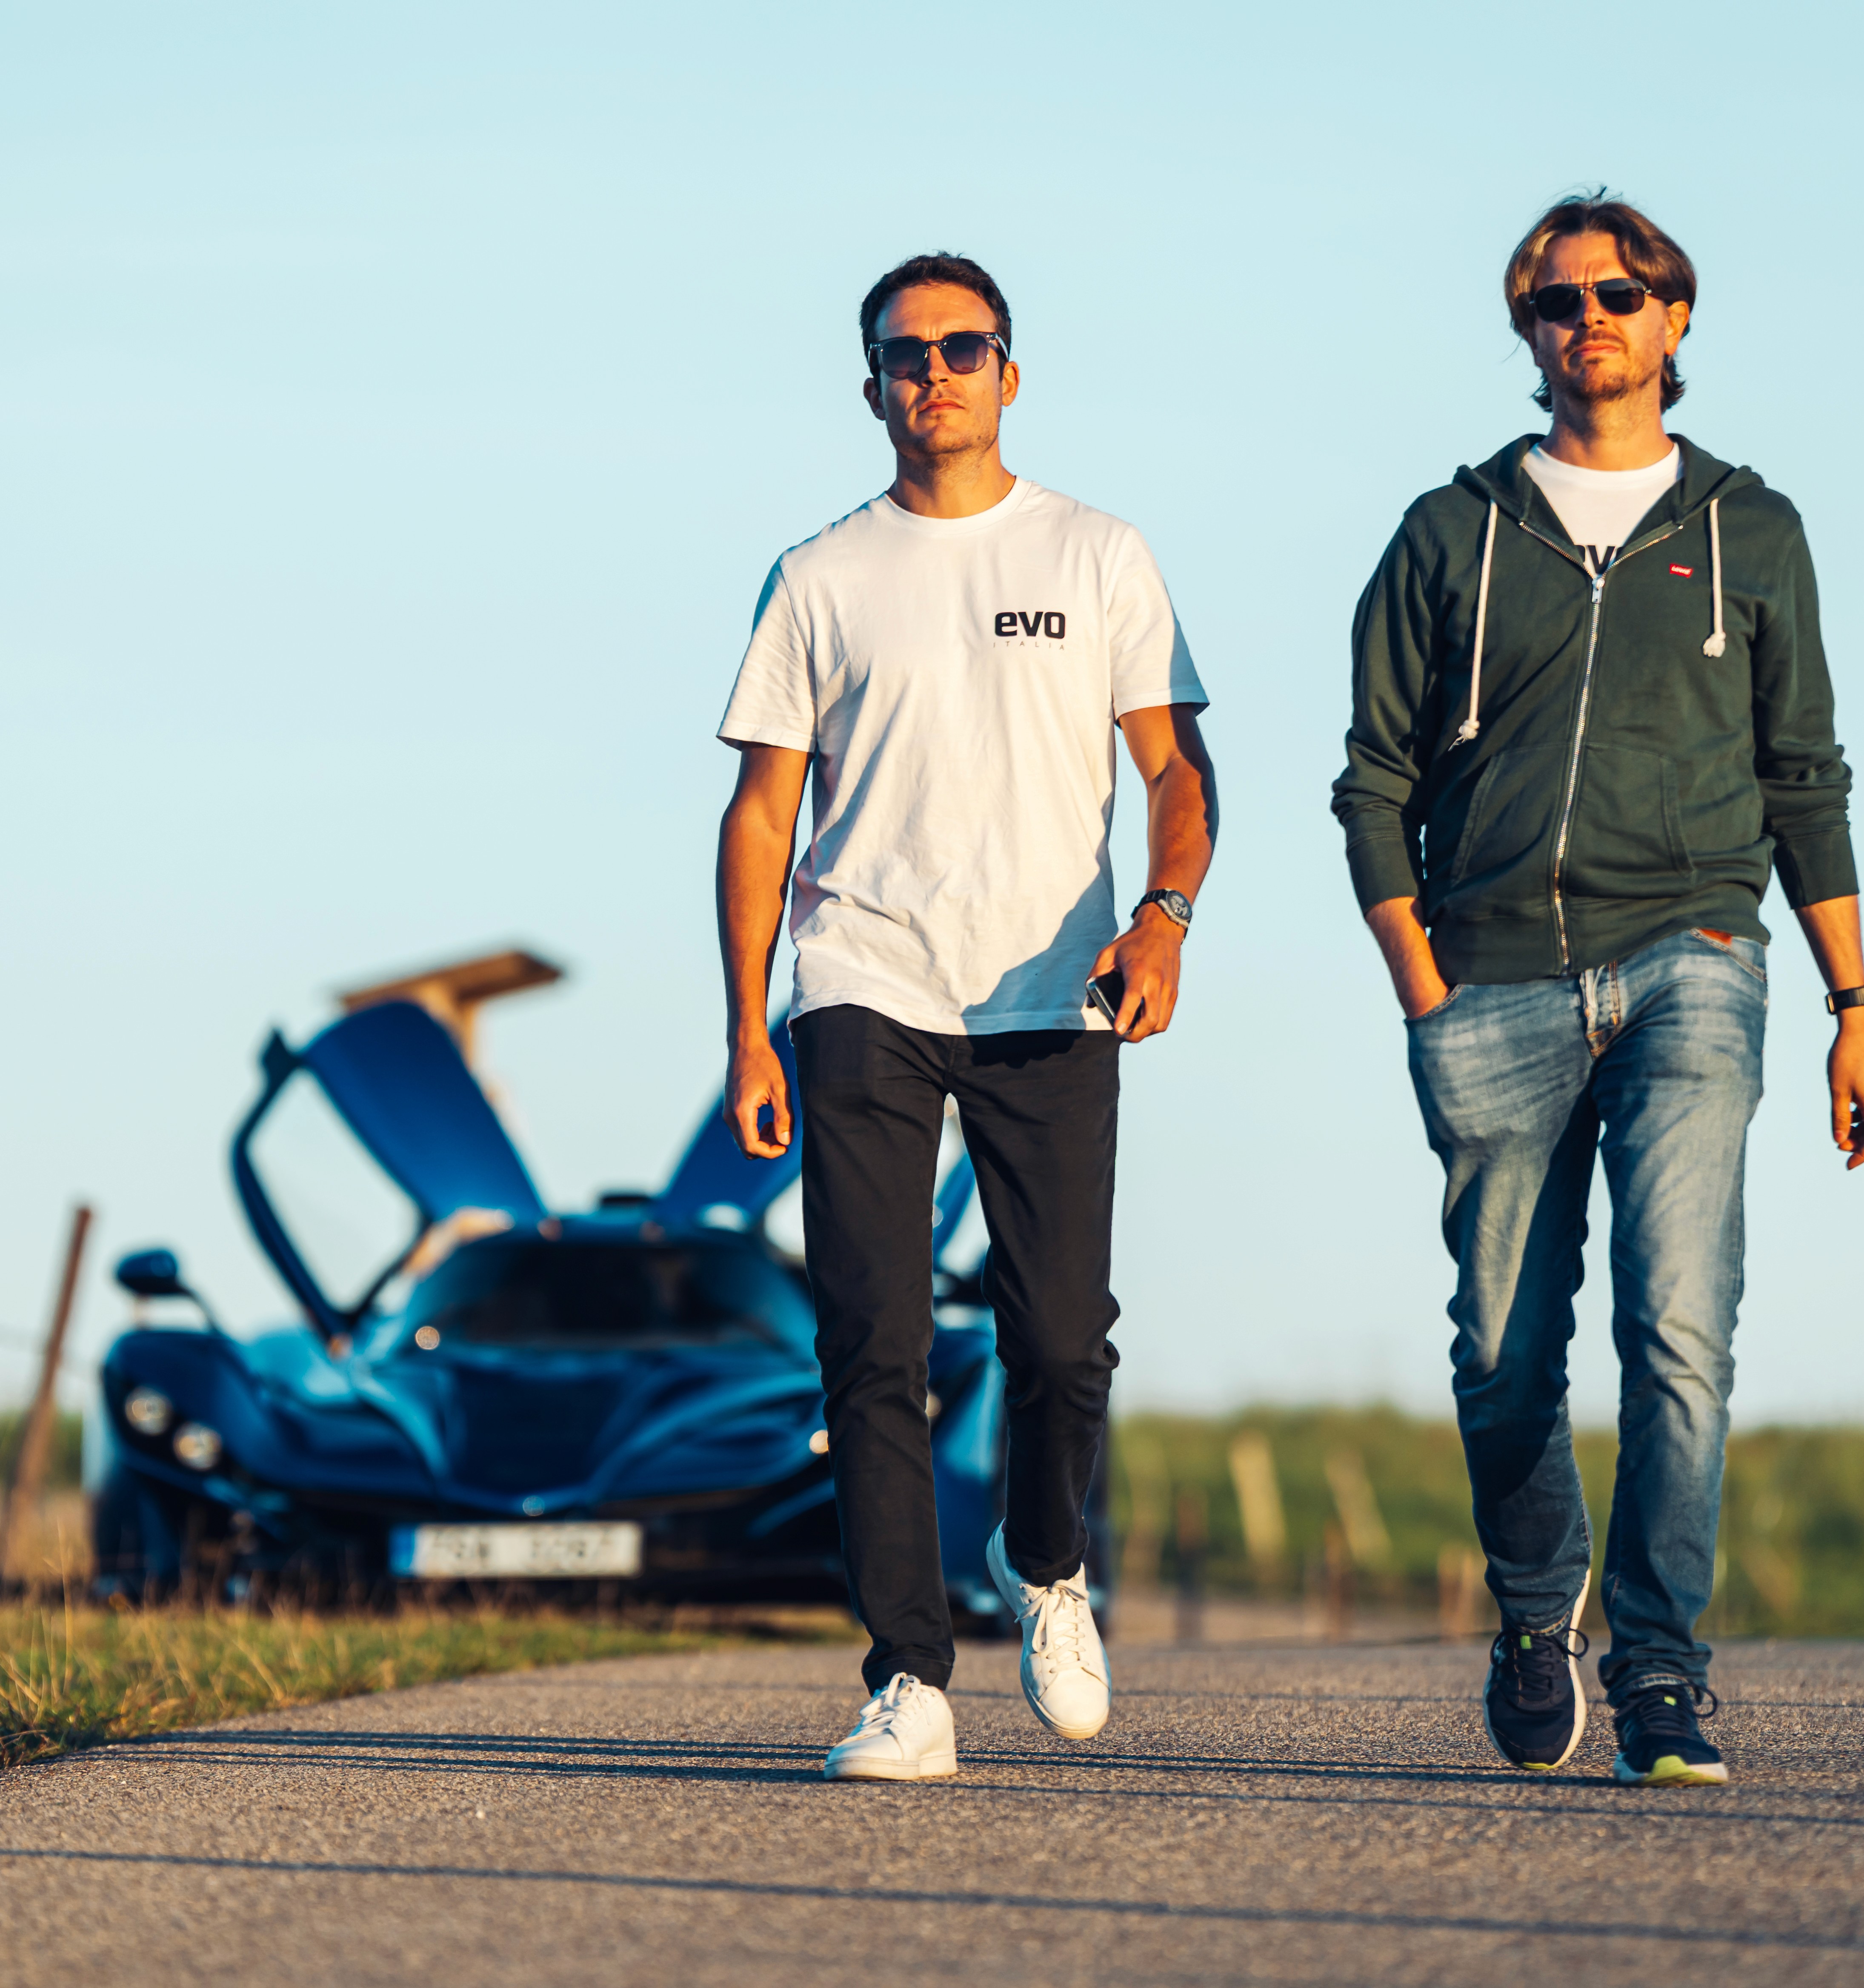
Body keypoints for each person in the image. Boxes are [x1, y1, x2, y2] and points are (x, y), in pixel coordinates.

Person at [1332, 194, 1864, 1787]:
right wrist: (1422, 981)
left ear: (1677, 318)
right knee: (1503, 1353)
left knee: (1681, 1330)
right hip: (1491, 978)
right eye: (1560, 304)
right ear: (1530, 335)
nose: (1594, 322)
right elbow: (1371, 778)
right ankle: (1533, 1610)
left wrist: (1858, 1006)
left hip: (1694, 960)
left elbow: (1807, 779)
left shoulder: (1751, 532)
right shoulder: (1451, 533)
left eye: (1623, 294)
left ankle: (1659, 1672)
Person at [713, 252, 1217, 1781]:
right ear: (870, 385)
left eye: (962, 346)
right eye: (902, 353)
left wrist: (1166, 916)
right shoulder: (818, 577)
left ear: (1012, 370)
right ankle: (907, 1681)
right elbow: (757, 814)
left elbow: (1178, 774)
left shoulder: (1099, 555)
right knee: (871, 1339)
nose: (932, 372)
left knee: (1061, 1341)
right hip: (865, 982)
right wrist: (749, 1028)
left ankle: (1048, 1566)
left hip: (1055, 991)